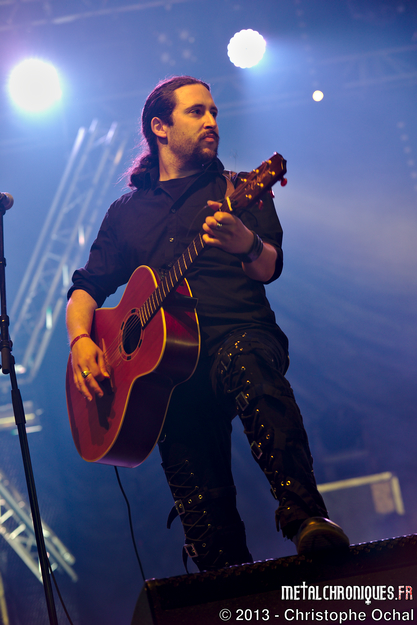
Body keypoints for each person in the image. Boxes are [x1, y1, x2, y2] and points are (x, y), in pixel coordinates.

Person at [66, 75, 349, 572]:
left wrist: (246, 243)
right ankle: (224, 583)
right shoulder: (126, 213)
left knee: (248, 363)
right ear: (160, 127)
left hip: (238, 334)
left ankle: (306, 517)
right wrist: (81, 342)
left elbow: (269, 267)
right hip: (168, 374)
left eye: (214, 111)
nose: (211, 120)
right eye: (196, 112)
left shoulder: (240, 188)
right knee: (205, 521)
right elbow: (86, 288)